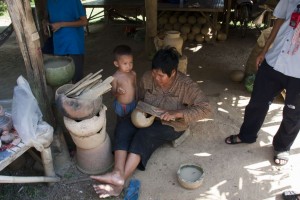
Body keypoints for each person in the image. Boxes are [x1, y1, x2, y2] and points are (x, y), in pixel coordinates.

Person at [90, 47, 211, 198]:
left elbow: (206, 108)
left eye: (161, 75)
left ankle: (120, 180)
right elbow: (139, 96)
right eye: (154, 72)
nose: (156, 78)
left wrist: (177, 113)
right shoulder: (148, 77)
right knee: (123, 126)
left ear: (173, 72)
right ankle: (117, 172)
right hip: (146, 117)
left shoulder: (186, 86)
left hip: (171, 125)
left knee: (144, 135)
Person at [225, 0, 300, 166]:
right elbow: (279, 21)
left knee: (293, 114)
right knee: (257, 103)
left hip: (298, 72)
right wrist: (265, 50)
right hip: (274, 61)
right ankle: (247, 135)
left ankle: (282, 147)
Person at [42, 0, 87, 83]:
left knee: (77, 78)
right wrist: (45, 23)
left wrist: (61, 24)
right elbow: (47, 18)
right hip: (59, 43)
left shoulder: (74, 1)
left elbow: (84, 21)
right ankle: (65, 96)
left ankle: (77, 95)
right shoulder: (50, 2)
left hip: (74, 44)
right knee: (62, 77)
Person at [111, 45, 137, 118]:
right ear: (116, 64)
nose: (129, 66)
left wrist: (138, 99)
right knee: (121, 121)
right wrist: (118, 92)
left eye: (131, 62)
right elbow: (113, 93)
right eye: (125, 63)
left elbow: (135, 87)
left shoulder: (133, 74)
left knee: (133, 119)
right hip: (122, 106)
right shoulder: (115, 77)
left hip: (133, 104)